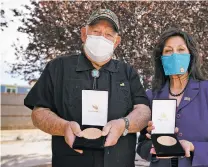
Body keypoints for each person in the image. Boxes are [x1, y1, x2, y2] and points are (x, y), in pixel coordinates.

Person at [24, 9, 151, 167]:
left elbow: (144, 111)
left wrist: (124, 125)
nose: (101, 38)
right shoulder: (58, 68)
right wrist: (64, 128)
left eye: (108, 34)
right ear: (84, 34)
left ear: (116, 41)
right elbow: (39, 113)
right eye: (96, 32)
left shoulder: (127, 72)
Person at [137, 27, 208, 167]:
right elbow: (142, 145)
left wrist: (193, 147)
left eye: (181, 50)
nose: (174, 55)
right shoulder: (151, 96)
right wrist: (151, 146)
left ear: (191, 56)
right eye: (168, 51)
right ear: (161, 58)